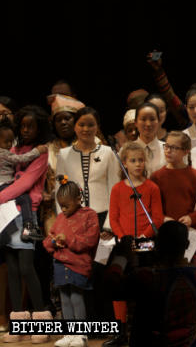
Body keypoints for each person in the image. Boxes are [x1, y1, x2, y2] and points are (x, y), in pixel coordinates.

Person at [103, 221, 196, 347]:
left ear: (157, 245)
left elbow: (110, 288)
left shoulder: (147, 277)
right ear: (187, 245)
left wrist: (121, 256)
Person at [0, 105, 52, 344]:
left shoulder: (41, 152)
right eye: (23, 125)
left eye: (31, 125)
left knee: (26, 267)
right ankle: (18, 323)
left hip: (27, 215)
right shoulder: (14, 149)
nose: (26, 129)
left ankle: (41, 321)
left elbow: (25, 183)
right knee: (11, 269)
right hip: (7, 213)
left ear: (40, 128)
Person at [107, 141, 164, 346]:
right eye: (133, 160)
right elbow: (114, 218)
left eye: (141, 160)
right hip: (124, 243)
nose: (138, 164)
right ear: (125, 163)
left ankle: (145, 329)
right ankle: (120, 331)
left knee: (146, 285)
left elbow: (157, 218)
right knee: (117, 283)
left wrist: (143, 237)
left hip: (145, 243)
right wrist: (124, 238)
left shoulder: (152, 188)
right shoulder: (117, 189)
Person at [44, 176, 100, 347]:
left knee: (76, 297)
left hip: (78, 265)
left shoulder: (89, 215)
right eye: (61, 206)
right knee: (64, 298)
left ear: (78, 199)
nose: (64, 209)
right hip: (60, 265)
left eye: (67, 205)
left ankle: (81, 334)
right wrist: (54, 242)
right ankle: (69, 333)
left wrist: (67, 239)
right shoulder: (60, 217)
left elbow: (89, 241)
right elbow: (48, 240)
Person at [56, 107, 120, 230]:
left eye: (91, 125)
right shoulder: (64, 155)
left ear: (97, 127)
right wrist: (62, 220)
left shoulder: (108, 153)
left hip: (103, 215)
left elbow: (114, 188)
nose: (86, 129)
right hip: (74, 217)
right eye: (81, 125)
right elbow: (60, 190)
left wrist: (110, 224)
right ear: (75, 126)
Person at [0, 119, 47, 240]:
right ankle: (28, 227)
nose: (10, 145)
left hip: (4, 185)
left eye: (11, 141)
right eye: (6, 142)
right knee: (25, 199)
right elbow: (21, 159)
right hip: (3, 185)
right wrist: (37, 151)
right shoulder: (3, 153)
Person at [150, 131, 196, 231]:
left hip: (189, 230)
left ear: (186, 151)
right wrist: (162, 218)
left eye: (174, 148)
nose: (168, 151)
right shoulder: (156, 177)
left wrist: (192, 218)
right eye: (166, 146)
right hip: (164, 229)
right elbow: (151, 206)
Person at [133, 102, 166, 175]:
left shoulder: (167, 149)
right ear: (135, 122)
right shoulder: (126, 150)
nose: (148, 124)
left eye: (152, 119)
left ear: (159, 121)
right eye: (143, 119)